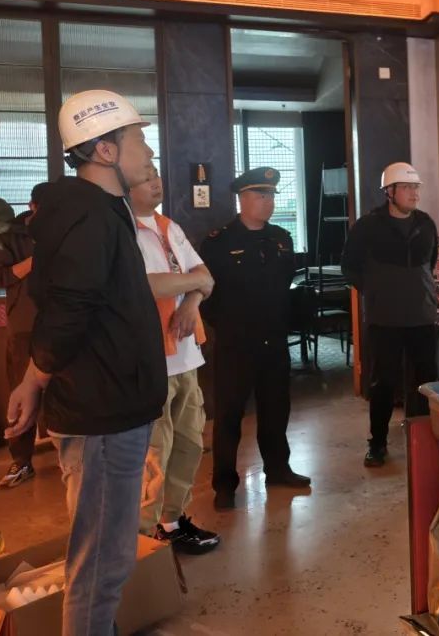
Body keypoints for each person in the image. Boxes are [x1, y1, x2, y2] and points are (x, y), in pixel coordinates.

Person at [5, 89, 165, 636]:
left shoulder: (101, 211)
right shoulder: (89, 216)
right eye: (139, 139)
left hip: (115, 407)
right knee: (100, 562)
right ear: (105, 150)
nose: (149, 151)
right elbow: (68, 310)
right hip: (101, 415)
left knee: (105, 556)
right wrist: (33, 379)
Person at [200, 167, 309, 510]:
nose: (268, 202)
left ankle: (278, 469)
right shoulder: (218, 242)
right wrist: (228, 326)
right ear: (242, 199)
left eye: (272, 195)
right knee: (229, 414)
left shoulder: (281, 238)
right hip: (236, 342)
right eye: (261, 195)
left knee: (276, 408)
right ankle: (224, 484)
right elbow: (206, 294)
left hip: (273, 339)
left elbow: (284, 285)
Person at [129, 169, 220, 554]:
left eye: (156, 175)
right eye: (146, 176)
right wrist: (192, 283)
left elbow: (206, 277)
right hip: (152, 360)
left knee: (189, 445)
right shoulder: (123, 229)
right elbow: (146, 286)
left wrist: (191, 304)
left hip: (186, 356)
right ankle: (140, 538)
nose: (156, 181)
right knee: (154, 454)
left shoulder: (169, 226)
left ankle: (171, 522)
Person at [342, 162, 439, 468]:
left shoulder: (426, 224)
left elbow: (431, 263)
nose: (414, 193)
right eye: (407, 188)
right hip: (384, 318)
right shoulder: (368, 226)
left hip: (422, 316)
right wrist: (374, 290)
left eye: (416, 188)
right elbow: (349, 267)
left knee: (426, 380)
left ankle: (424, 437)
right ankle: (378, 443)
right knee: (382, 382)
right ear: (390, 192)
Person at [0, 181, 49, 489]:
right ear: (31, 206)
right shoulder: (9, 234)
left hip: (63, 323)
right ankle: (21, 461)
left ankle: (74, 453)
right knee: (21, 394)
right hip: (25, 325)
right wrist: (36, 261)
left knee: (68, 392)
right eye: (44, 209)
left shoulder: (66, 230)